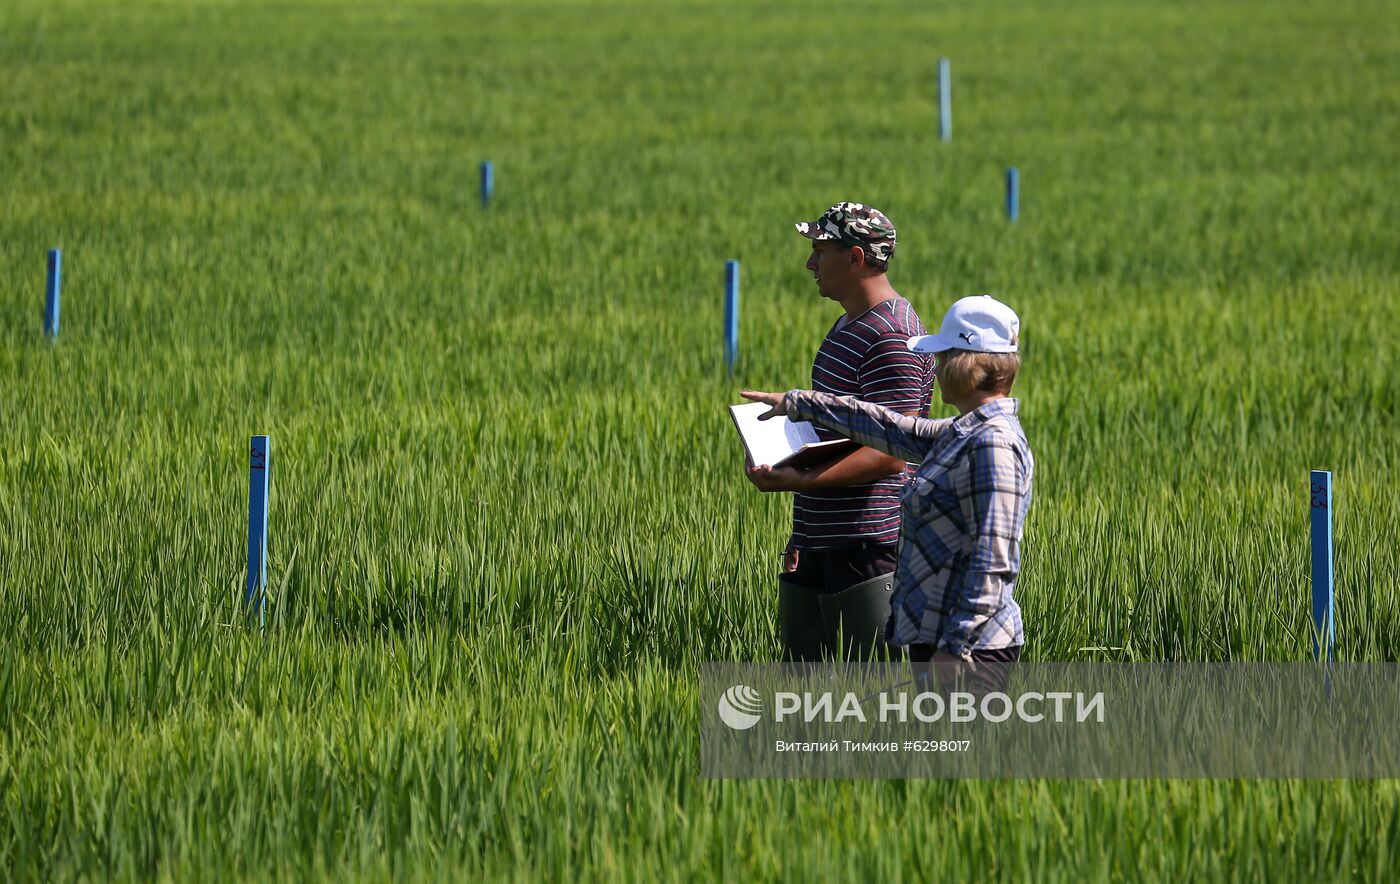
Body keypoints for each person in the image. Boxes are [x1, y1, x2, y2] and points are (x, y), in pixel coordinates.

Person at [743, 295, 1032, 690]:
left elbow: (993, 560)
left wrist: (957, 647)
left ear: (966, 365)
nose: (936, 369)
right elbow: (889, 427)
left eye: (943, 358)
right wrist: (798, 404)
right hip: (938, 635)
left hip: (969, 648)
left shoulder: (993, 445)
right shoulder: (961, 433)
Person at [744, 202, 933, 661]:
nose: (810, 262)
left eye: (820, 249)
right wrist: (803, 533)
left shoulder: (893, 336)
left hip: (868, 545)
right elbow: (828, 436)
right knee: (813, 698)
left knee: (874, 694)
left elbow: (891, 453)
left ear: (855, 258)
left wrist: (801, 482)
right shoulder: (848, 325)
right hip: (824, 541)